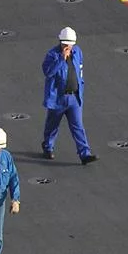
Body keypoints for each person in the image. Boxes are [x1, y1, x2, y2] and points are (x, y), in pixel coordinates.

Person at [41, 27, 97, 165]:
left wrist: (81, 89)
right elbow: (48, 72)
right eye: (65, 44)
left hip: (74, 97)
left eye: (70, 44)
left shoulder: (78, 52)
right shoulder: (52, 55)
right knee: (52, 125)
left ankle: (85, 154)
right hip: (58, 98)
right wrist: (61, 59)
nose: (67, 47)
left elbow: (80, 71)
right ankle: (48, 146)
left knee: (78, 126)